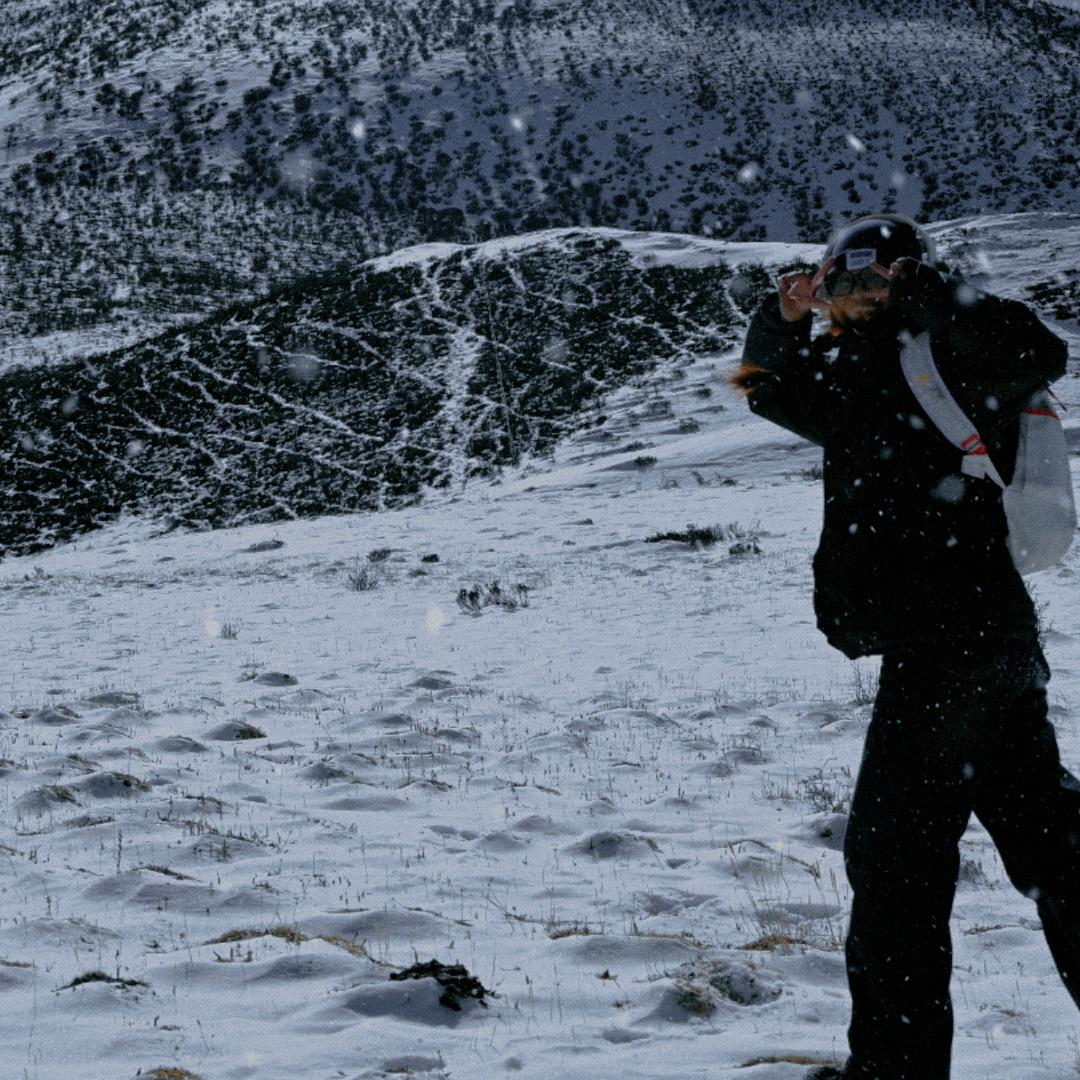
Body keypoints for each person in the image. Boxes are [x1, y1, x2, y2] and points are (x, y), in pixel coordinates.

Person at [732, 214, 1080, 1080]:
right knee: (1053, 847)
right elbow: (768, 387)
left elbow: (1040, 350)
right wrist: (782, 319)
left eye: (870, 279)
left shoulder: (948, 353)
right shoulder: (855, 372)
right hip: (986, 643)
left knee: (895, 869)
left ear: (906, 277)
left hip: (949, 644)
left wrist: (925, 293)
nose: (852, 297)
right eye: (838, 283)